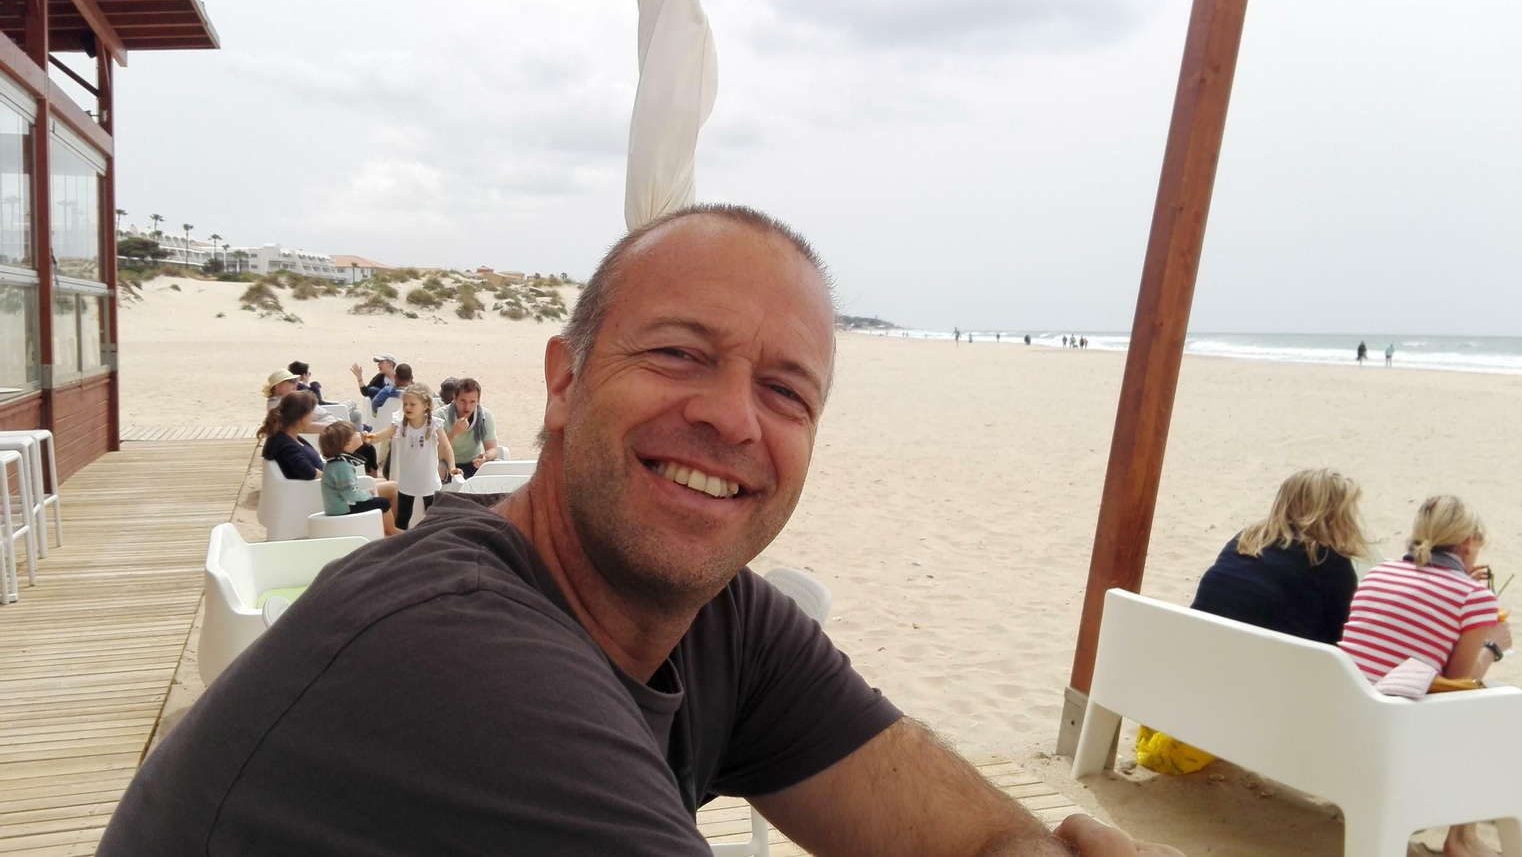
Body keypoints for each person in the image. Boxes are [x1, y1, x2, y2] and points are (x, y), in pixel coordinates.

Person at [99, 204, 1183, 857]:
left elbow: (971, 838)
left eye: (787, 390)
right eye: (676, 352)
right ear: (564, 382)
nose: (732, 416)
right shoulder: (457, 656)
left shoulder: (720, 625)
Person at [1338, 496, 1510, 857]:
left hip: (1348, 719)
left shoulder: (1378, 574)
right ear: (1468, 542)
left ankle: (1464, 839)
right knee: (1493, 707)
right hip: (1398, 736)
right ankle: (1462, 841)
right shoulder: (1474, 597)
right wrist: (1493, 647)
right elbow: (1458, 686)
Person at [1191, 469, 1371, 645]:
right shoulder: (1328, 560)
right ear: (1335, 515)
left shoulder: (1247, 538)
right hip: (1263, 662)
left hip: (1198, 644)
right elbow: (1343, 636)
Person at [367, 383, 454, 530]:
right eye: (405, 404)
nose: (407, 407)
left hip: (429, 481)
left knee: (432, 516)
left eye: (412, 404)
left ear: (425, 405)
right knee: (403, 516)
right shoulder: (400, 424)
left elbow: (446, 446)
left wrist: (452, 467)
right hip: (407, 481)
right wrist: (370, 437)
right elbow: (384, 434)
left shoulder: (433, 424)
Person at [264, 370, 379, 474]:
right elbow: (302, 428)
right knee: (367, 449)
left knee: (356, 415)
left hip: (333, 427)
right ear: (278, 386)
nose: (296, 383)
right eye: (291, 381)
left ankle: (371, 481)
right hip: (330, 435)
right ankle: (370, 483)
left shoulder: (288, 401)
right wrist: (334, 427)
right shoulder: (280, 407)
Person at [317, 421, 400, 537]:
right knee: (383, 503)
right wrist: (367, 494)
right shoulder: (343, 466)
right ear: (348, 444)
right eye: (355, 433)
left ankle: (386, 529)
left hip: (337, 506)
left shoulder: (337, 462)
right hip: (343, 508)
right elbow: (349, 494)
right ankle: (391, 530)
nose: (359, 433)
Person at [435, 377, 499, 480]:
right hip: (447, 464)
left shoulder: (485, 416)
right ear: (455, 398)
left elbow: (493, 448)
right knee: (437, 469)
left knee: (498, 465)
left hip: (474, 462)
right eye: (463, 400)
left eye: (472, 402)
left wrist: (485, 457)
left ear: (478, 401)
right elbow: (436, 453)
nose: (467, 407)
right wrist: (454, 433)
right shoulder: (441, 416)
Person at [258, 391, 323, 481]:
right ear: (302, 418)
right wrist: (331, 476)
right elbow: (309, 472)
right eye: (311, 413)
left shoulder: (288, 436)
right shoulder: (285, 445)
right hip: (308, 489)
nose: (312, 417)